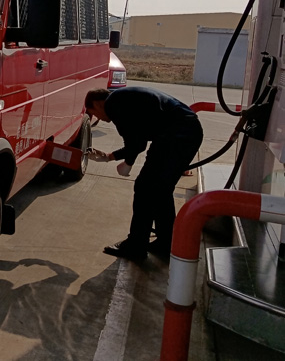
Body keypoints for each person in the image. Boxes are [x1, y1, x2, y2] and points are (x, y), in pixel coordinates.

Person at [84, 87, 203, 261]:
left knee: (145, 188)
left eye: (94, 113)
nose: (99, 119)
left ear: (97, 104)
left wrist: (125, 163)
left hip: (177, 136)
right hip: (182, 133)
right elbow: (138, 140)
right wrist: (110, 157)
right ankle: (166, 242)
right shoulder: (123, 98)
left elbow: (135, 143)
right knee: (160, 190)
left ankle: (136, 245)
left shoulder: (113, 104)